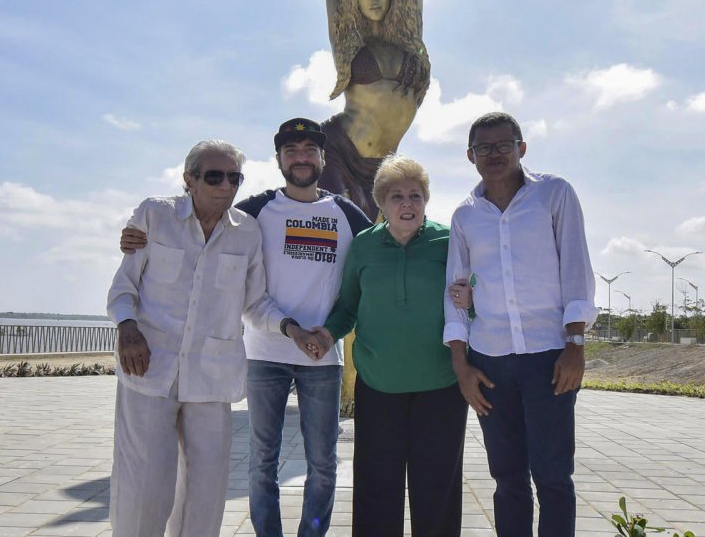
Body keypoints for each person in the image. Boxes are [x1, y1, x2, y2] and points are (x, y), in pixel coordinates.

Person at [119, 118, 371, 537]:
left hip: (323, 357)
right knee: (261, 462)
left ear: (323, 158)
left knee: (323, 463)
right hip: (264, 355)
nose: (301, 157)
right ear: (279, 160)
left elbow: (384, 245)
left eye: (310, 150)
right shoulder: (254, 211)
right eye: (291, 150)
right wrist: (134, 233)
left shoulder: (346, 213)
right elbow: (198, 214)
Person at [107, 139, 282, 537]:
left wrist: (291, 328)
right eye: (214, 177)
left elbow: (255, 303)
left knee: (207, 491)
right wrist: (127, 328)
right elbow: (123, 289)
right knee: (144, 485)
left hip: (212, 375)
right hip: (149, 367)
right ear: (189, 179)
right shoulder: (155, 214)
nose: (225, 186)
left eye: (234, 178)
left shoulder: (247, 232)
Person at [443, 113, 597, 537]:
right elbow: (454, 291)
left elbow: (576, 271)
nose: (494, 154)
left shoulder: (554, 194)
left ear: (521, 148)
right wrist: (461, 365)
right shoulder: (465, 215)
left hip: (550, 357)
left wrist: (575, 345)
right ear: (470, 155)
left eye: (503, 145)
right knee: (507, 477)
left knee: (553, 476)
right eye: (484, 148)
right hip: (489, 362)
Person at [298, 155, 467, 536]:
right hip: (378, 387)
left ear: (426, 200)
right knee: (376, 490)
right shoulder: (364, 246)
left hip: (441, 388)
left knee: (437, 491)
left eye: (415, 195)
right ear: (381, 204)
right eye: (396, 196)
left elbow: (471, 299)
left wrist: (472, 299)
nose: (407, 204)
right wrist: (327, 334)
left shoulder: (449, 242)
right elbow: (348, 306)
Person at [319, 0, 431, 219]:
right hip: (338, 149)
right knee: (342, 230)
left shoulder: (410, 40)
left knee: (381, 238)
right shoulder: (348, 41)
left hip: (384, 165)